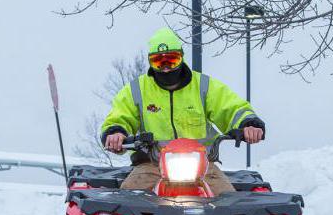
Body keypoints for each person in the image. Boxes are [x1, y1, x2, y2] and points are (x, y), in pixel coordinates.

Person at [101, 27, 265, 194]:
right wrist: (115, 133)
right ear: (150, 62)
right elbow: (119, 116)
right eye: (159, 61)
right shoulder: (137, 89)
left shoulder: (203, 86)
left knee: (228, 199)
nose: (165, 68)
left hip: (203, 165)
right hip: (151, 165)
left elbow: (231, 107)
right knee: (129, 198)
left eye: (172, 60)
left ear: (181, 58)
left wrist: (248, 124)